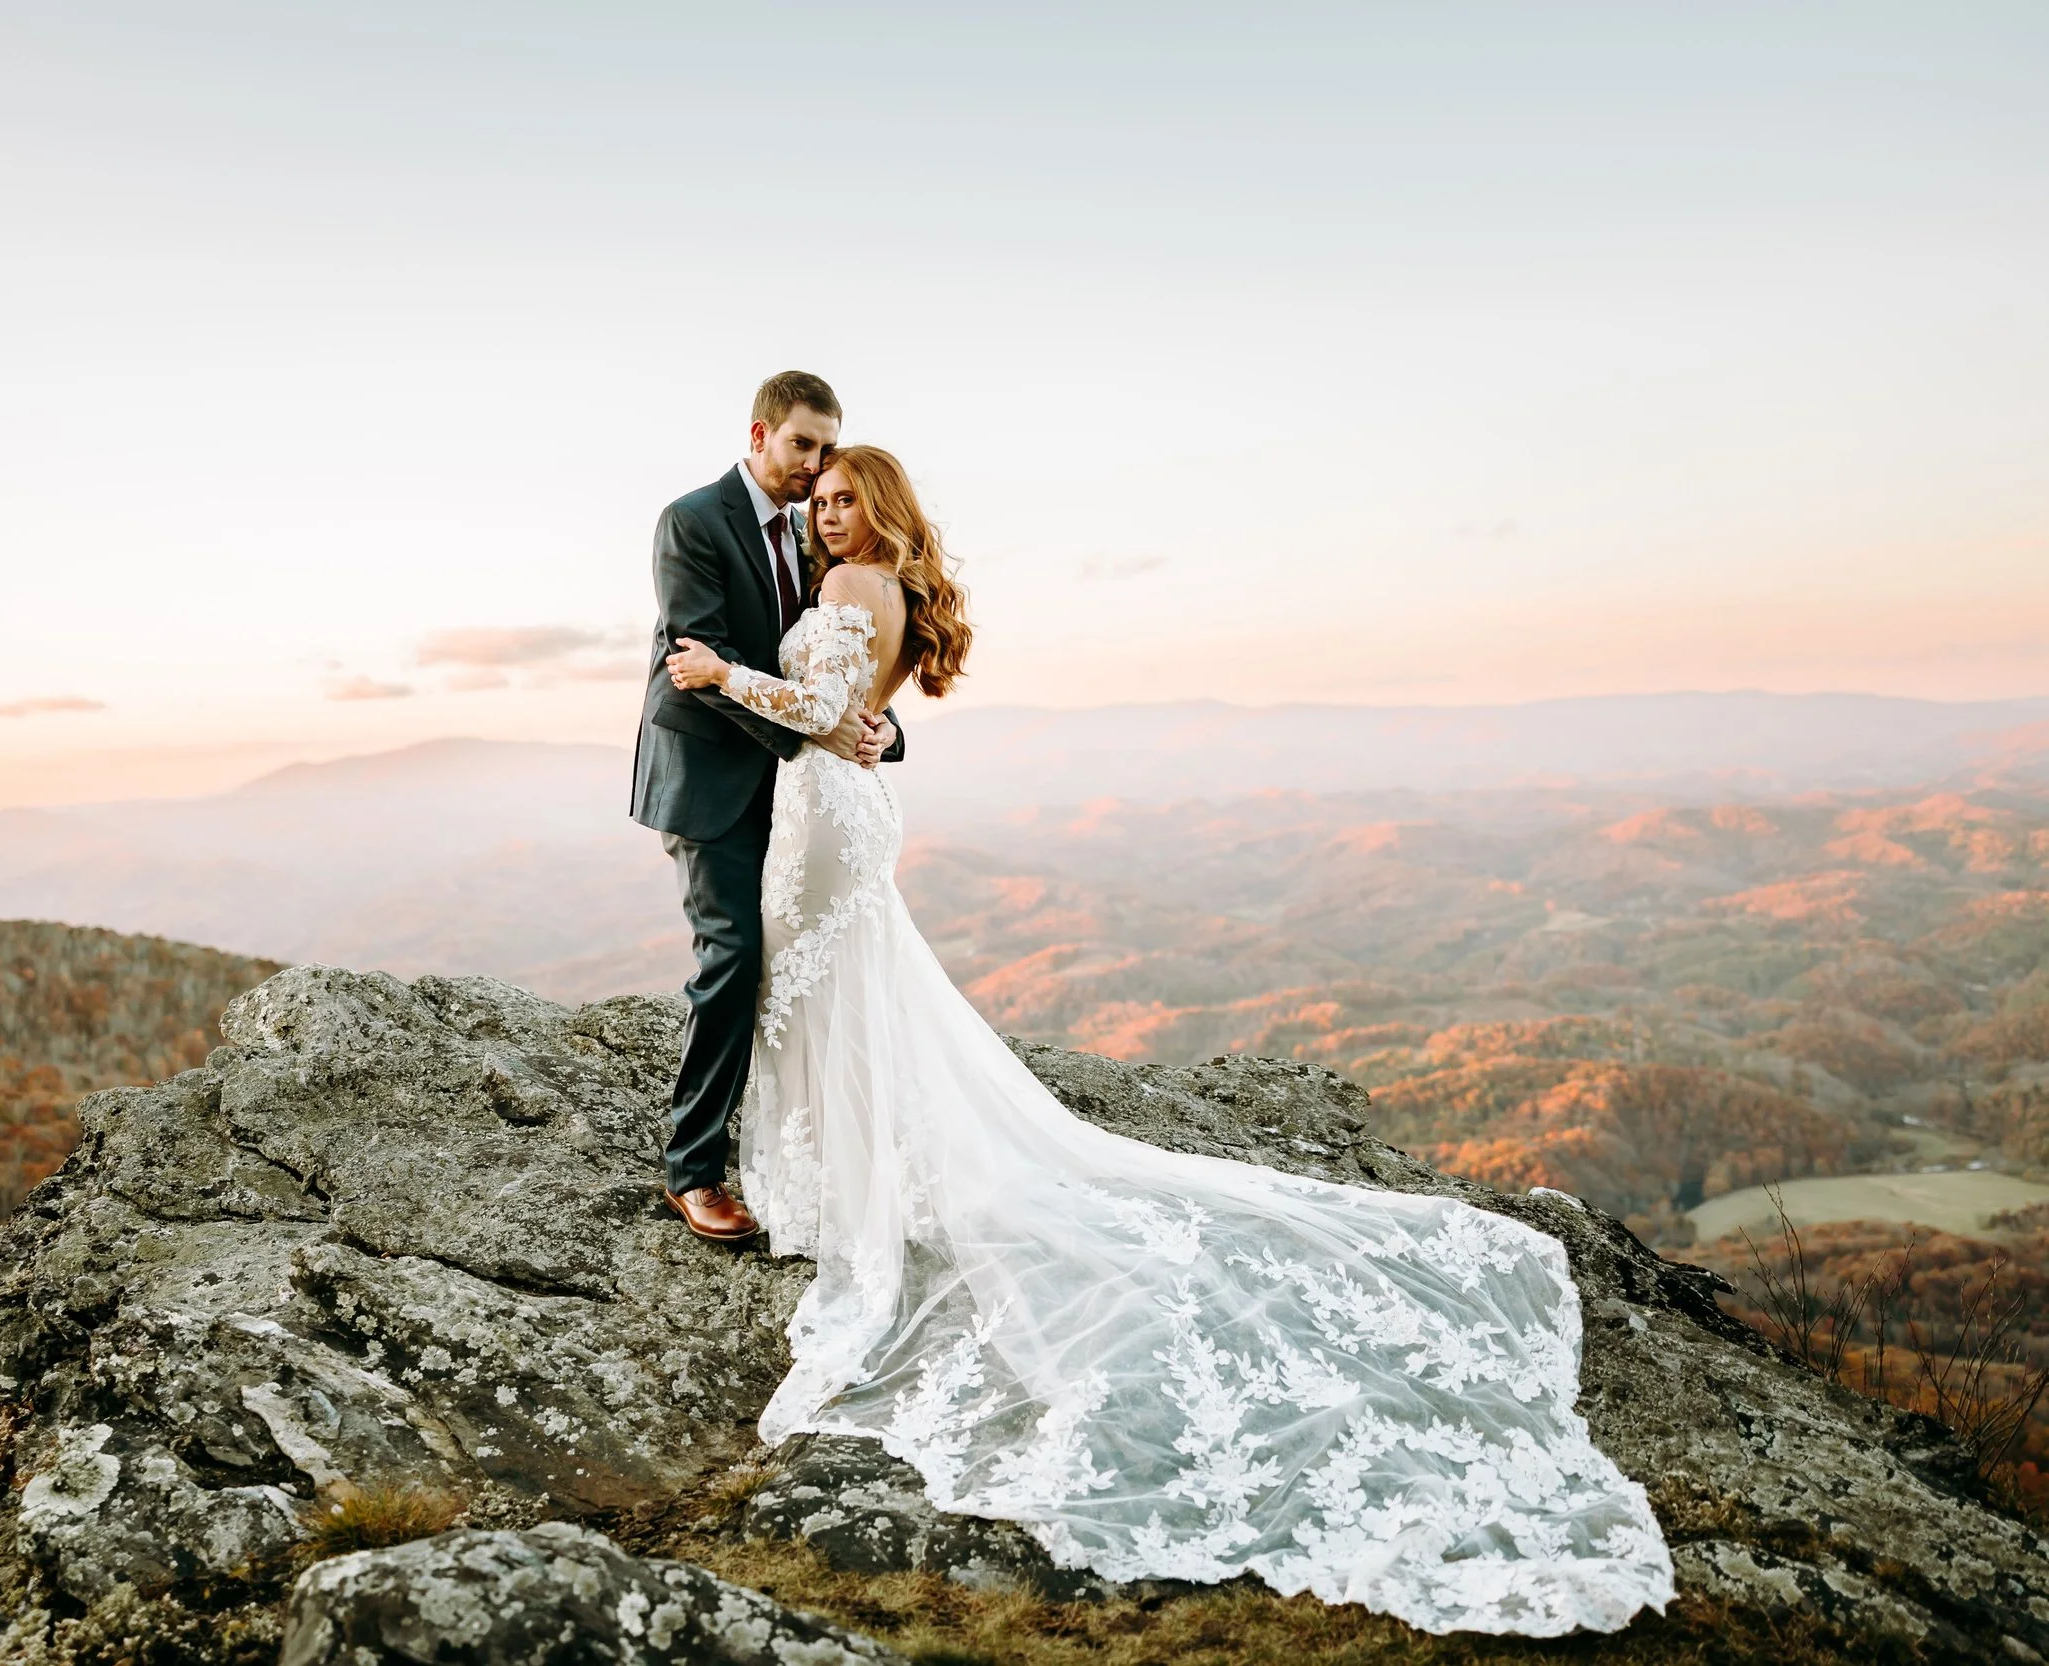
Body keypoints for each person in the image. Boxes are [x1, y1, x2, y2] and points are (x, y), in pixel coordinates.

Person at [660, 445, 1677, 1637]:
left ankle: (842, 1188)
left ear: (877, 510)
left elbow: (832, 716)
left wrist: (724, 670)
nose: (827, 515)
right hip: (845, 813)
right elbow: (866, 717)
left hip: (827, 818)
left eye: (845, 500)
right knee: (842, 996)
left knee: (824, 993)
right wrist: (830, 715)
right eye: (819, 499)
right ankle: (846, 1174)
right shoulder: (881, 587)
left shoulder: (846, 587)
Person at [630, 371, 899, 1244]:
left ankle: (808, 1155)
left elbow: (838, 670)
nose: (813, 466)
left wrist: (878, 733)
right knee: (734, 957)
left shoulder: (819, 532)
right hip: (711, 778)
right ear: (759, 433)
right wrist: (818, 737)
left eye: (824, 450)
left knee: (804, 967)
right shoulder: (693, 521)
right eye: (800, 445)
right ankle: (693, 1170)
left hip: (795, 793)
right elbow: (697, 661)